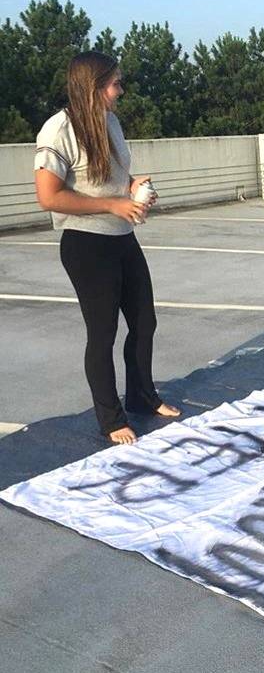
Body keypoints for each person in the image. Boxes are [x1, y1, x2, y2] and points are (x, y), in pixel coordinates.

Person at [34, 51, 181, 445]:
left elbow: (108, 176)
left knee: (144, 321)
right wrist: (112, 204)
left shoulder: (109, 122)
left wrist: (131, 186)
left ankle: (142, 396)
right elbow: (48, 196)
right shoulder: (58, 130)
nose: (121, 90)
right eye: (116, 83)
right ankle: (111, 418)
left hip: (121, 237)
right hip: (86, 245)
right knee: (103, 332)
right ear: (94, 87)